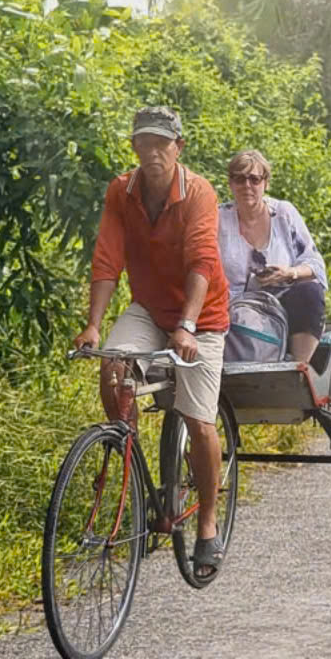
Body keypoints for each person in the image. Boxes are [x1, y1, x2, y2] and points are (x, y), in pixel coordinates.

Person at [75, 105, 229, 579]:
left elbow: (202, 262)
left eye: (162, 143)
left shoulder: (198, 192)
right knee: (112, 367)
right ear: (134, 147)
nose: (153, 152)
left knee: (198, 418)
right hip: (148, 307)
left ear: (178, 147)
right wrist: (93, 325)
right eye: (145, 143)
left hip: (201, 316)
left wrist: (188, 326)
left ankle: (207, 523)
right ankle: (130, 455)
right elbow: (107, 259)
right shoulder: (121, 191)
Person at [217, 150, 328, 363]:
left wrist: (289, 273)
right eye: (239, 179)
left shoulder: (284, 213)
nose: (247, 185)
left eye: (254, 179)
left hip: (283, 303)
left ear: (265, 183)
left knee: (310, 291)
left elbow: (314, 263)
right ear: (230, 183)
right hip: (233, 309)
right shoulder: (218, 218)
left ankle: (297, 367)